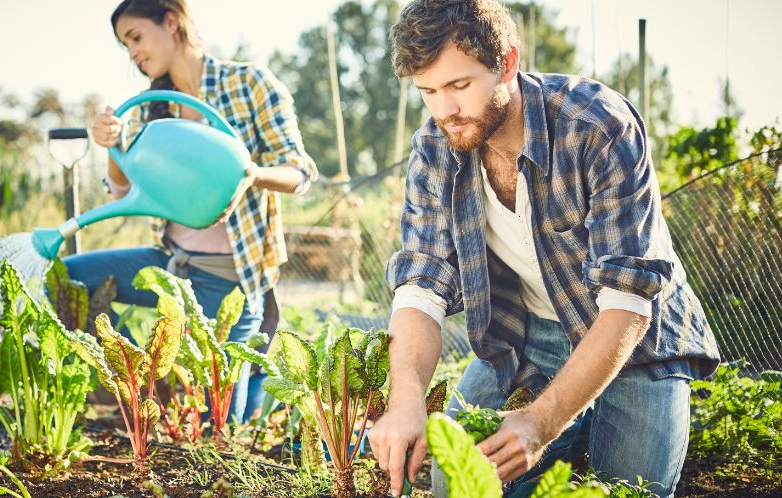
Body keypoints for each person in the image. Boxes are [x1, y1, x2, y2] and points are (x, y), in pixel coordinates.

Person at [366, 1, 720, 497]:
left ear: (507, 63)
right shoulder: (434, 147)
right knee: (457, 479)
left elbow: (628, 303)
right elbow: (422, 287)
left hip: (634, 343)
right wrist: (405, 400)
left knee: (627, 490)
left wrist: (540, 422)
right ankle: (573, 427)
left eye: (460, 86)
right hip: (527, 337)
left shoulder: (597, 126)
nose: (445, 111)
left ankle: (576, 426)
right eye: (428, 91)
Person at [67, 0, 317, 424]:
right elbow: (124, 187)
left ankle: (224, 401)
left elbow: (299, 173)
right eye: (125, 45)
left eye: (135, 37)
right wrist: (113, 146)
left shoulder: (250, 83)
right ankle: (148, 385)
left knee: (216, 426)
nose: (132, 53)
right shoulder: (152, 105)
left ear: (171, 20)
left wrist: (252, 174)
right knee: (69, 279)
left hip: (230, 280)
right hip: (168, 265)